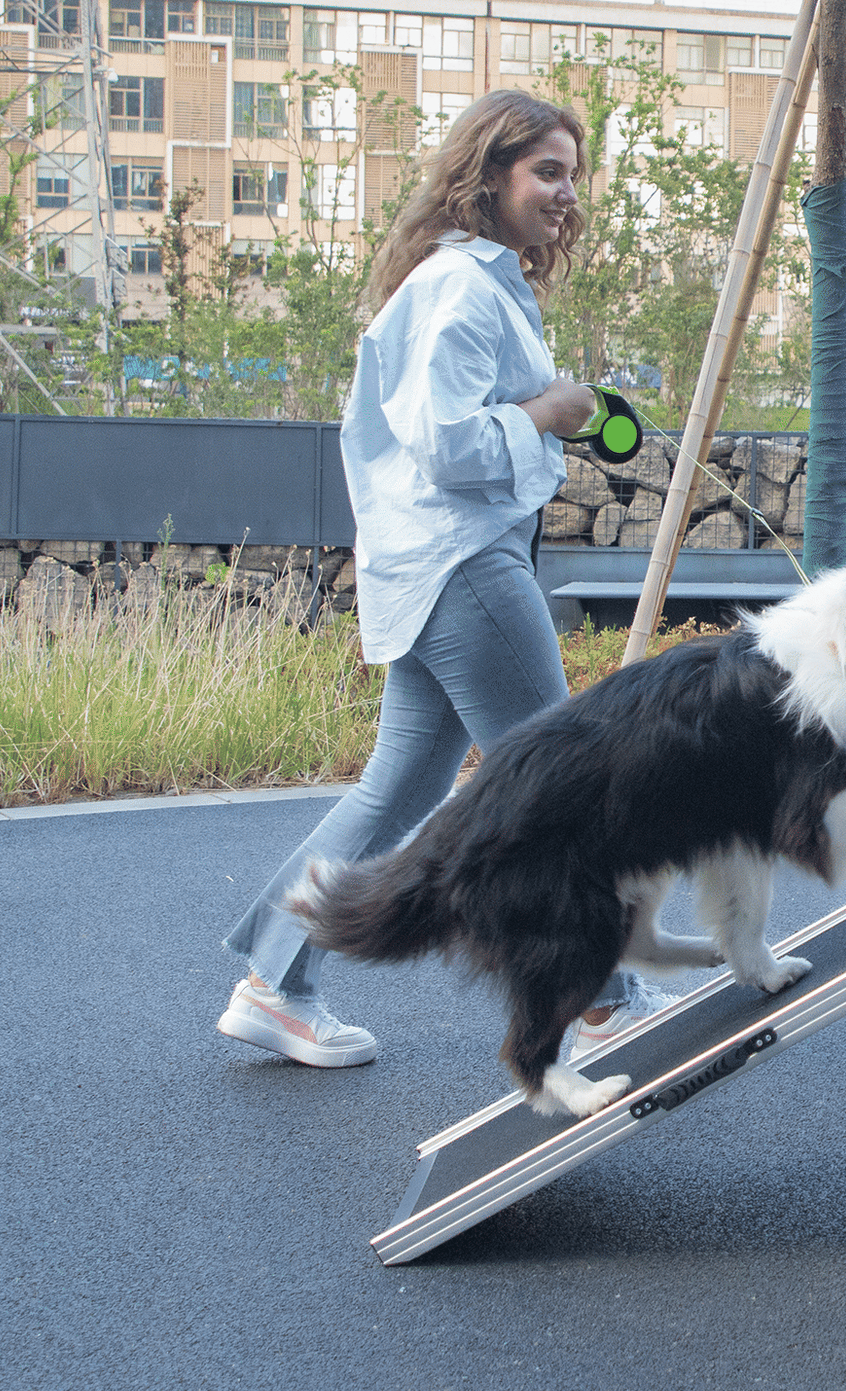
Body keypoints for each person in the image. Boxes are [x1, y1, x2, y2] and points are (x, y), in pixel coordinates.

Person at [218, 88, 664, 1068]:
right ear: (489, 173)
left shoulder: (469, 284)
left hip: (436, 565)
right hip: (466, 563)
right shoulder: (460, 286)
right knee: (560, 781)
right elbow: (449, 443)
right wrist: (546, 411)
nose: (565, 192)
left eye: (571, 175)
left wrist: (557, 407)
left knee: (398, 784)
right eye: (547, 171)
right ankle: (600, 998)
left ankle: (273, 980)